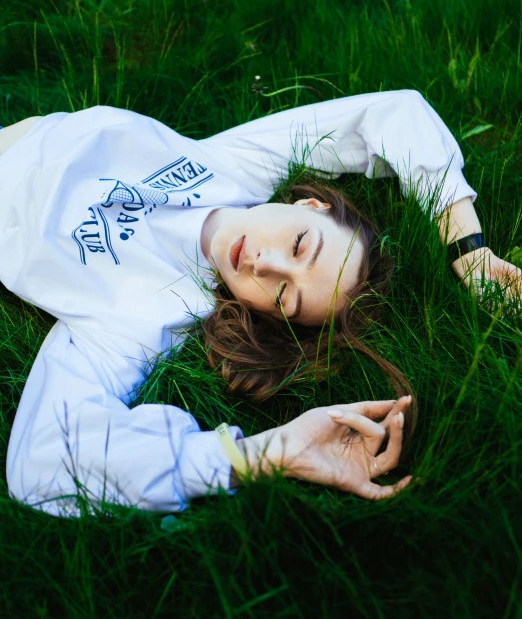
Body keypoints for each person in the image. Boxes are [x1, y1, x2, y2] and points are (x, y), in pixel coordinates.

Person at [1, 90, 520, 518]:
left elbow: (49, 459)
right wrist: (468, 252)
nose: (266, 265)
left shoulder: (145, 318)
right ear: (309, 205)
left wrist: (265, 455)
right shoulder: (236, 168)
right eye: (300, 244)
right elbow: (393, 112)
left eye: (284, 296)